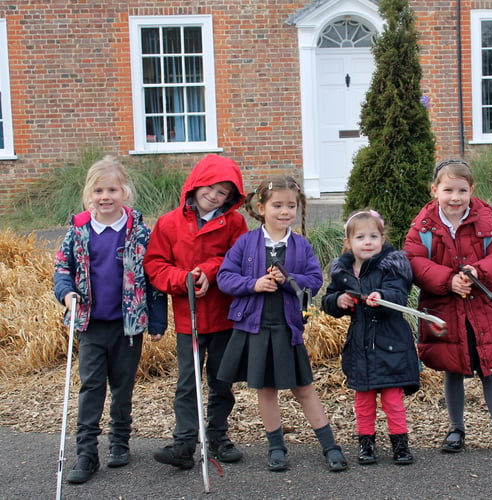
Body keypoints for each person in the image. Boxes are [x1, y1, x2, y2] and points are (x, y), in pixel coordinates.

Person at [216, 175, 348, 473]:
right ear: (261, 208)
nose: (284, 211)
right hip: (256, 328)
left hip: (288, 329)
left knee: (304, 389)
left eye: (291, 205)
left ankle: (330, 445)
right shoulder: (246, 242)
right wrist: (254, 283)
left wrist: (289, 280)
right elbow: (225, 277)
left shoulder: (301, 246)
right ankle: (276, 447)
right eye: (277, 205)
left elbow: (314, 282)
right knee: (266, 390)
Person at [53, 155, 167, 484]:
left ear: (125, 193)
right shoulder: (78, 233)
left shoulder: (140, 234)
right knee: (91, 387)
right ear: (89, 195)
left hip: (127, 325)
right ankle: (86, 452)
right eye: (99, 190)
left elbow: (154, 279)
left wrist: (157, 322)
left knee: (123, 385)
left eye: (112, 190)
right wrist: (66, 294)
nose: (106, 196)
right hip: (90, 324)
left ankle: (120, 440)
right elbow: (62, 270)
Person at [403, 159, 492, 455]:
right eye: (448, 190)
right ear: (435, 190)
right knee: (452, 367)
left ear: (472, 190)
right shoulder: (423, 227)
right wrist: (448, 280)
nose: (455, 197)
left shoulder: (487, 222)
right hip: (445, 307)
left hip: (484, 306)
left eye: (461, 190)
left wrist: (478, 271)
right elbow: (414, 261)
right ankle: (456, 429)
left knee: (490, 366)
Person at [144, 154, 247, 469]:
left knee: (221, 380)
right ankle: (185, 441)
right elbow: (155, 264)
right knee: (188, 382)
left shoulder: (235, 223)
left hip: (222, 314)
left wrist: (209, 271)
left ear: (231, 199)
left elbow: (239, 258)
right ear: (196, 182)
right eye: (211, 187)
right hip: (188, 318)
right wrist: (182, 279)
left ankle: (217, 435)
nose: (214, 196)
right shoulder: (169, 223)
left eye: (223, 193)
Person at [321, 210, 420, 466]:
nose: (368, 242)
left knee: (392, 400)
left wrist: (382, 297)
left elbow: (399, 294)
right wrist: (339, 300)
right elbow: (328, 300)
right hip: (360, 346)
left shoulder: (391, 266)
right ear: (348, 242)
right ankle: (366, 444)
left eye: (374, 236)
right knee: (363, 400)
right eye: (361, 237)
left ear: (383, 239)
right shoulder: (344, 271)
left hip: (390, 345)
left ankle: (400, 445)